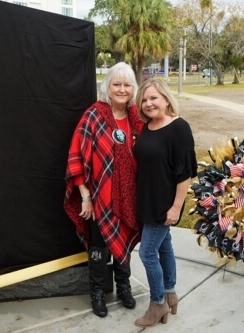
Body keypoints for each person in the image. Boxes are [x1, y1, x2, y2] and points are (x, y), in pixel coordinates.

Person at [63, 62, 144, 318]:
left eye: (127, 84)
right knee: (98, 248)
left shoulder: (137, 118)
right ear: (107, 86)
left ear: (133, 88)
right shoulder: (94, 115)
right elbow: (77, 155)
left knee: (125, 246)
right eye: (116, 84)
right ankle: (97, 293)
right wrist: (85, 197)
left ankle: (123, 287)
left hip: (130, 197)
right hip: (100, 198)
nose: (122, 89)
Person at [133, 77, 197, 327]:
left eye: (154, 98)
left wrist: (176, 207)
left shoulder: (179, 128)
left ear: (166, 99)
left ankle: (157, 303)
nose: (149, 104)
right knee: (163, 247)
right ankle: (170, 292)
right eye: (145, 100)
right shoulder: (146, 127)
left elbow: (185, 172)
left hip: (164, 204)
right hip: (148, 199)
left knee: (147, 253)